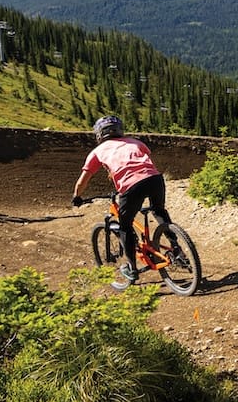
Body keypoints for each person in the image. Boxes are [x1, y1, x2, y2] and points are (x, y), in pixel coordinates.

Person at [71, 114, 167, 283]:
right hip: (155, 179)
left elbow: (83, 180)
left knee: (125, 226)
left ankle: (132, 269)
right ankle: (177, 248)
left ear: (100, 133)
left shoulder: (97, 151)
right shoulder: (135, 142)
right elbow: (140, 162)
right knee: (159, 211)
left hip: (131, 187)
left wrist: (76, 196)